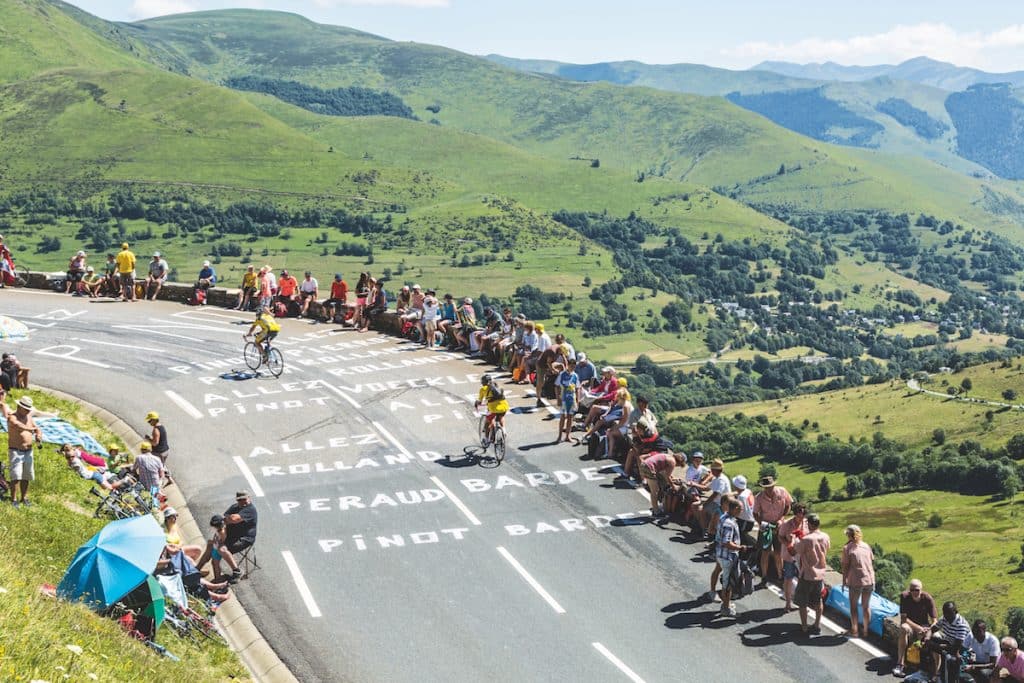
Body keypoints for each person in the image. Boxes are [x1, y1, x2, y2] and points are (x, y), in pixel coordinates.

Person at [197, 491, 258, 584]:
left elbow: (233, 519)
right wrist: (221, 536)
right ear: (237, 500)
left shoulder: (250, 510)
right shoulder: (234, 507)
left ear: (249, 498)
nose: (243, 502)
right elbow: (223, 521)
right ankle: (197, 570)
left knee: (221, 549)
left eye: (244, 499)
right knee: (211, 545)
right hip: (230, 535)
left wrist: (228, 520)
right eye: (240, 500)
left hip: (244, 538)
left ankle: (237, 571)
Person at [893, 578, 938, 678]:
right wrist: (917, 628)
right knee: (903, 628)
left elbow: (934, 620)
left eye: (917, 590)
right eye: (912, 590)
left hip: (924, 626)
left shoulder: (927, 598)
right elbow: (904, 618)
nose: (914, 592)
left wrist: (929, 630)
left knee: (936, 637)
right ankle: (900, 663)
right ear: (909, 590)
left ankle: (936, 671)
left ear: (921, 590)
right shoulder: (904, 597)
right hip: (911, 626)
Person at [794, 513, 830, 636]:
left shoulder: (807, 539)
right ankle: (817, 624)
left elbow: (795, 550)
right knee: (818, 600)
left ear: (809, 524)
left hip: (807, 574)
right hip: (820, 574)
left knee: (802, 601)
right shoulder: (825, 536)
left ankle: (804, 627)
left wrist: (795, 539)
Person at [753, 475, 793, 585]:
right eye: (766, 487)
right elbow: (755, 513)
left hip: (779, 525)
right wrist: (761, 523)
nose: (769, 489)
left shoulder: (782, 491)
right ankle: (764, 576)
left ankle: (780, 575)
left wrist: (782, 518)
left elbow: (788, 505)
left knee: (778, 552)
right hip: (766, 526)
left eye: (770, 486)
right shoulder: (759, 497)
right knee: (765, 552)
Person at [841, 524, 876, 638]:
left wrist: (844, 581)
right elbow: (871, 560)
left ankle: (854, 631)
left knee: (854, 606)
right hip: (869, 580)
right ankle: (865, 631)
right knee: (866, 607)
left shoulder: (847, 548)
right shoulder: (866, 546)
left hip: (856, 581)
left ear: (848, 535)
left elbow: (845, 566)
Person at [715, 498, 747, 618]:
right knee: (728, 584)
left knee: (727, 581)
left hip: (721, 554)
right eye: (740, 509)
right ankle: (726, 608)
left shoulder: (724, 517)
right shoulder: (729, 523)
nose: (741, 511)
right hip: (728, 556)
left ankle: (726, 603)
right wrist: (739, 548)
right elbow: (726, 542)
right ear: (735, 509)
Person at [7, 396, 42, 508]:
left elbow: (37, 428)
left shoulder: (29, 417)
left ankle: (24, 497)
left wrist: (38, 434)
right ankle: (14, 499)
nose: (28, 411)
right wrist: (31, 429)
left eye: (28, 409)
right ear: (19, 407)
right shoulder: (12, 417)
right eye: (26, 409)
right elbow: (18, 425)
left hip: (28, 451)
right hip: (16, 451)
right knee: (16, 476)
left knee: (26, 475)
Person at [924, 601, 971, 680]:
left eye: (949, 613)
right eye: (945, 613)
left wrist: (940, 646)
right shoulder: (944, 619)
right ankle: (929, 670)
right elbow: (932, 629)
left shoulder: (961, 625)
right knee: (926, 642)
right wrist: (927, 638)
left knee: (948, 657)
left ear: (955, 612)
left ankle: (943, 676)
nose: (946, 616)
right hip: (948, 642)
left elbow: (956, 647)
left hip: (960, 649)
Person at [777, 502, 808, 612]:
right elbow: (780, 537)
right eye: (799, 515)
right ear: (795, 514)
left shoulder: (807, 524)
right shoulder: (786, 524)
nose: (801, 517)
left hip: (803, 557)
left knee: (804, 580)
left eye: (803, 515)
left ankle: (802, 604)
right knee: (788, 579)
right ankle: (788, 604)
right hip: (789, 556)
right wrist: (788, 543)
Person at [640, 450, 685, 517]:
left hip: (644, 465)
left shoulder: (668, 456)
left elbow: (663, 472)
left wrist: (673, 479)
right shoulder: (672, 462)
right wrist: (673, 486)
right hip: (649, 467)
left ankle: (656, 508)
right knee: (655, 491)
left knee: (656, 488)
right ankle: (656, 511)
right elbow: (667, 476)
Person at [475, 374, 509, 446]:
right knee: (500, 417)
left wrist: (476, 404)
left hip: (493, 408)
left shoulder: (483, 389)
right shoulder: (497, 385)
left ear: (483, 382)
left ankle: (487, 440)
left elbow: (480, 401)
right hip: (504, 406)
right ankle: (503, 429)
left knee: (487, 422)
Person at [555, 360, 579, 443]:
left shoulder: (575, 375)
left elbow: (577, 388)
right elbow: (557, 386)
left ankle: (568, 436)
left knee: (570, 417)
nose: (572, 367)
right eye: (571, 365)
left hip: (572, 399)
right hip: (564, 399)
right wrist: (558, 399)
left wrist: (577, 400)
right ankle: (559, 436)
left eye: (574, 366)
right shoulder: (562, 374)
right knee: (563, 417)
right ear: (567, 365)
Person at [146, 411, 172, 486]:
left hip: (159, 452)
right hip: (165, 450)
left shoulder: (156, 430)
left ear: (154, 420)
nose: (149, 422)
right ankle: (170, 479)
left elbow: (155, 443)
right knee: (162, 465)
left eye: (149, 421)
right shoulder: (161, 427)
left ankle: (160, 484)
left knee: (157, 468)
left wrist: (148, 439)